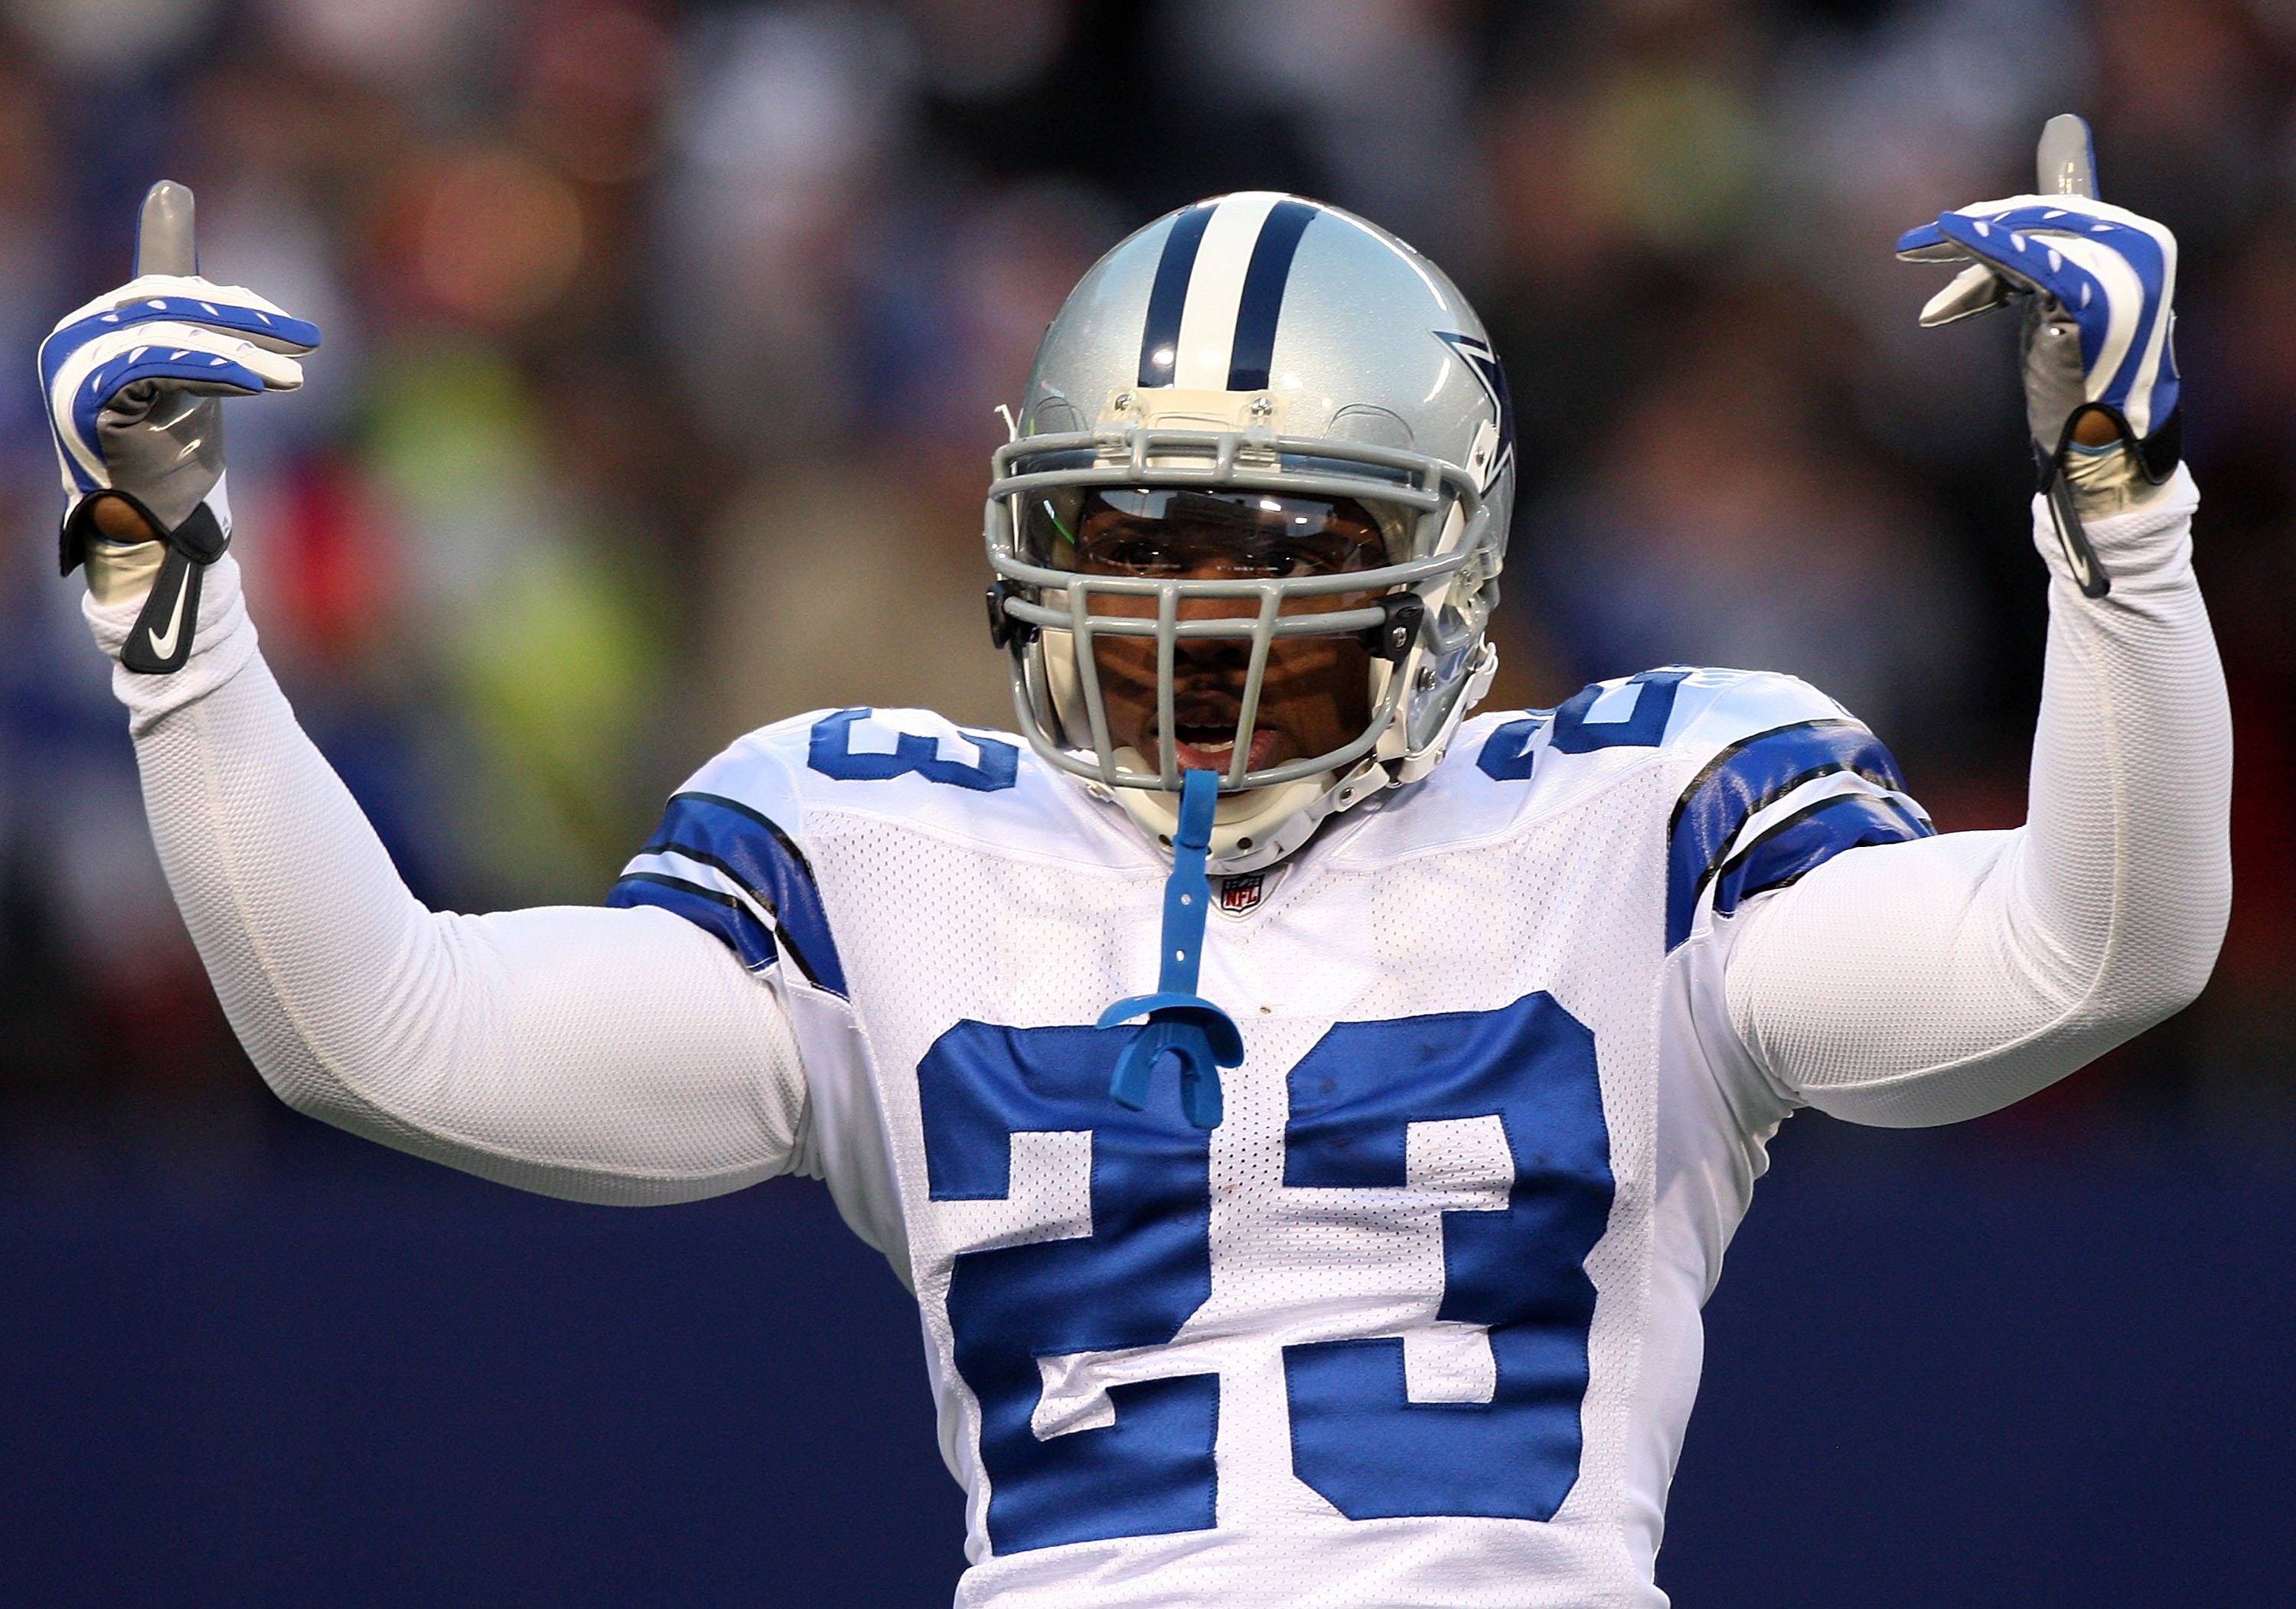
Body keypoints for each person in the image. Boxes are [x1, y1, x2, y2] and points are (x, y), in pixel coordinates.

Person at [43, 164, 2226, 1607]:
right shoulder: (890, 847)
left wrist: (2118, 530)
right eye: (1130, 543)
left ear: (1442, 566)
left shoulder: (1641, 813)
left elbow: (2092, 950)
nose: (1187, 620)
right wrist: (180, 618)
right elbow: (379, 1029)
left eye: (1270, 557)